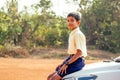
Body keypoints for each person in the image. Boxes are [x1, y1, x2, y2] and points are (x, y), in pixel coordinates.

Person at [47, 12, 87, 80]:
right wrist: (63, 63)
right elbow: (72, 53)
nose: (69, 23)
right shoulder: (73, 33)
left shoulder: (78, 34)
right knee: (49, 77)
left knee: (53, 79)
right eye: (68, 20)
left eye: (72, 20)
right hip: (71, 58)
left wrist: (66, 64)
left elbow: (79, 53)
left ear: (78, 22)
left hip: (77, 61)